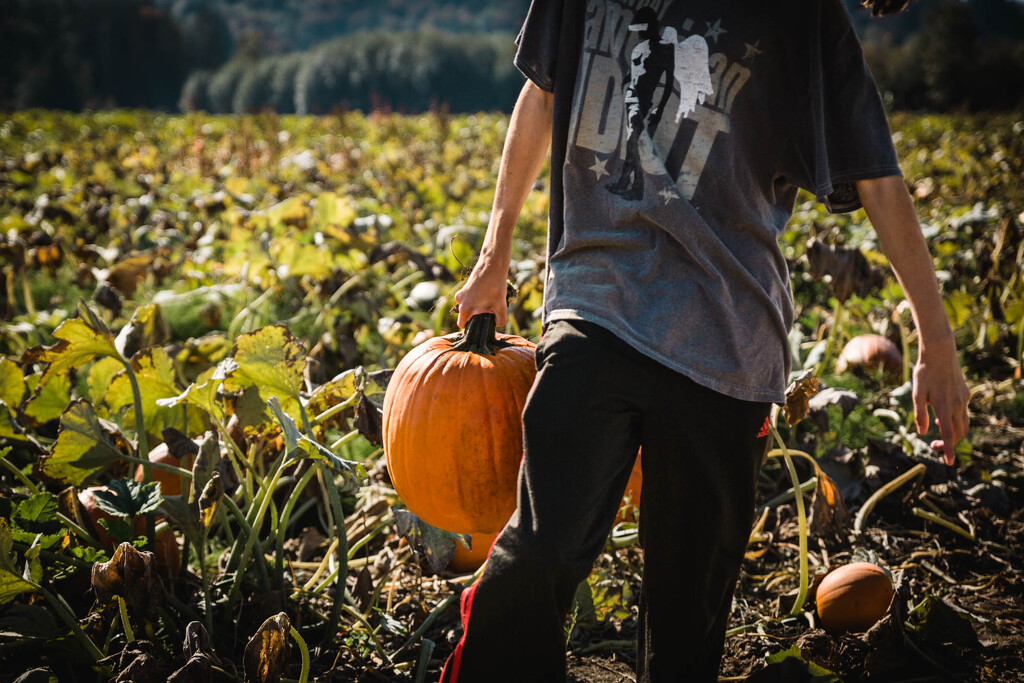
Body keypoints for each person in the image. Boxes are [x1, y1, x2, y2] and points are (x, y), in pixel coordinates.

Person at [442, 1, 970, 681]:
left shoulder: (802, 18)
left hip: (728, 340)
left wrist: (936, 342)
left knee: (685, 620)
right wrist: (493, 254)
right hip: (594, 301)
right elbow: (541, 95)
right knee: (538, 551)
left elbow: (877, 176)